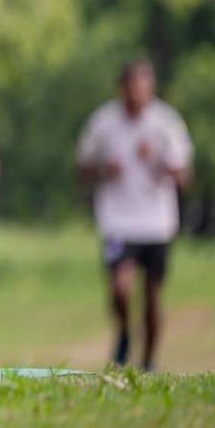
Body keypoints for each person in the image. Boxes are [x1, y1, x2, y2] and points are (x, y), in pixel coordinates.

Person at [75, 59, 193, 372]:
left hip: (157, 223)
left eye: (143, 88)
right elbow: (82, 169)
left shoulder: (167, 122)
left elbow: (184, 176)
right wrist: (105, 169)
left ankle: (149, 360)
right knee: (121, 289)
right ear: (122, 89)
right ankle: (124, 334)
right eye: (132, 88)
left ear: (151, 89)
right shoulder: (103, 122)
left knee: (153, 297)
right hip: (118, 221)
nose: (137, 95)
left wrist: (159, 163)